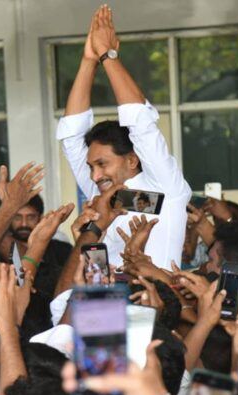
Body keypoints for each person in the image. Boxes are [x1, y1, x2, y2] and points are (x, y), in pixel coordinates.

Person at [56, 6, 191, 270]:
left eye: (102, 164)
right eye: (91, 167)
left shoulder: (165, 188)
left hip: (156, 308)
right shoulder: (103, 195)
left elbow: (141, 123)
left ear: (132, 160)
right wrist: (87, 61)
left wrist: (108, 57)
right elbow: (71, 136)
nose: (94, 177)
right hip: (107, 308)